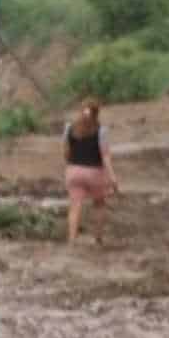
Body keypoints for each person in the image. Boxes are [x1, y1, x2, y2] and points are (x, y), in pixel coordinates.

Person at [63, 97, 119, 245]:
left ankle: (72, 239)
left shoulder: (69, 128)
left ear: (80, 111)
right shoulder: (101, 131)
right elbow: (105, 155)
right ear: (97, 113)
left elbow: (66, 152)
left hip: (73, 171)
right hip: (94, 172)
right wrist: (112, 177)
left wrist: (71, 165)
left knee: (75, 206)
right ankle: (98, 238)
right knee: (99, 204)